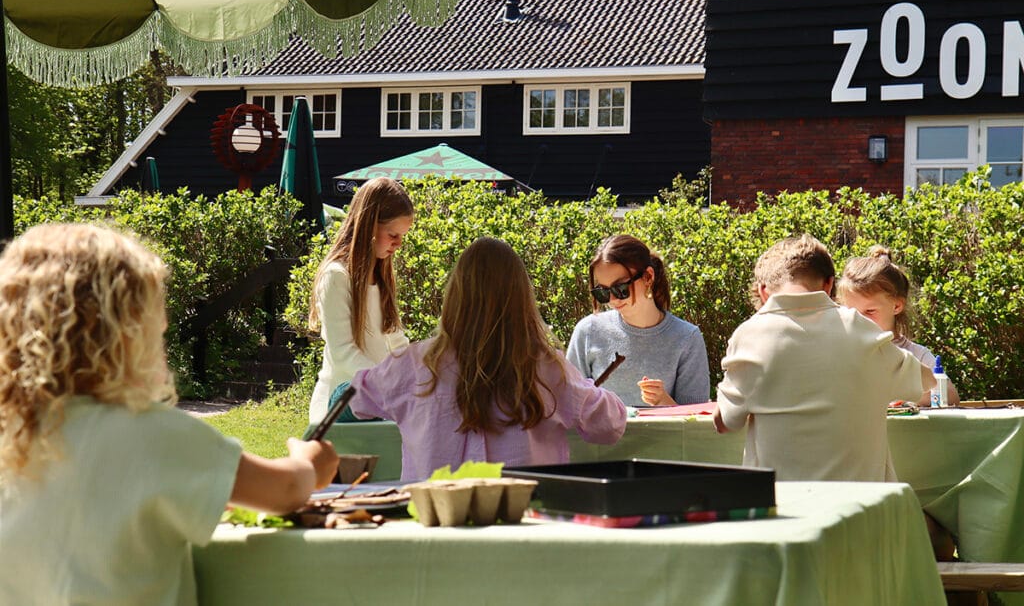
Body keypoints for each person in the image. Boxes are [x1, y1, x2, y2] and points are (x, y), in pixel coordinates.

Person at [0, 223, 338, 606]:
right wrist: (310, 460)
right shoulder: (152, 432)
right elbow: (286, 490)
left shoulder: (13, 433)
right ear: (130, 333)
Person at [347, 237, 627, 480]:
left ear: (454, 295)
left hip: (434, 526)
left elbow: (353, 398)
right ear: (522, 300)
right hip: (523, 525)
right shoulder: (546, 367)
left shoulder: (412, 364)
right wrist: (583, 386)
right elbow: (610, 426)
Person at [712, 234, 935, 482]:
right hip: (860, 509)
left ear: (764, 292)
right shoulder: (859, 330)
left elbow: (725, 423)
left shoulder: (749, 335)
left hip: (782, 508)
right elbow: (927, 381)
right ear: (830, 285)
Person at [308, 177, 414, 423]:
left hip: (376, 404)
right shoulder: (336, 276)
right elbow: (343, 352)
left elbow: (396, 341)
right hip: (341, 410)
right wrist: (388, 383)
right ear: (369, 225)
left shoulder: (381, 276)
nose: (398, 244)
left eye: (402, 236)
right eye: (392, 234)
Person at [566, 234, 710, 407]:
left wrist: (664, 402)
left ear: (648, 277)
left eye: (621, 289)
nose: (612, 299)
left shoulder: (687, 338)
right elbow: (569, 407)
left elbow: (694, 424)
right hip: (600, 435)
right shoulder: (588, 331)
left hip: (660, 435)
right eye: (602, 292)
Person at [836, 246, 960, 407]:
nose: (860, 319)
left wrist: (904, 401)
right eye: (852, 311)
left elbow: (950, 396)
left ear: (896, 306)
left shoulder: (916, 354)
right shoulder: (841, 350)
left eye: (870, 311)